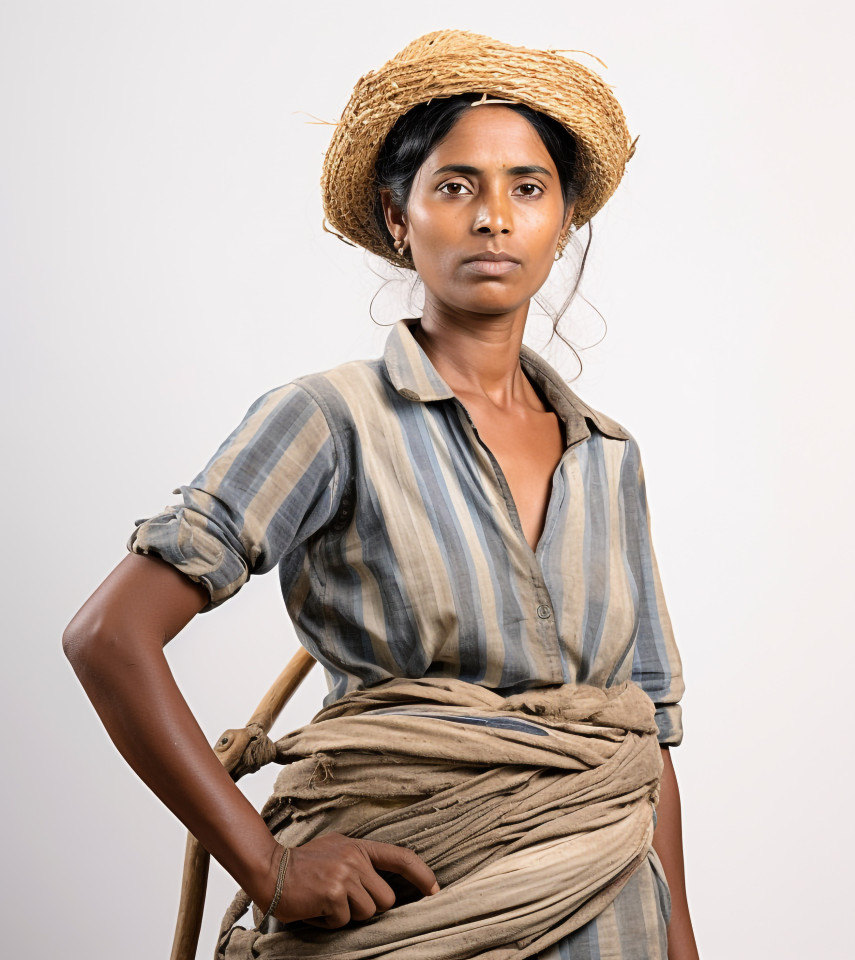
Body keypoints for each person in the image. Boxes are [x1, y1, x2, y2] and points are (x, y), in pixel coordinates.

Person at [63, 29, 699, 960]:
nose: (493, 217)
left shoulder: (609, 456)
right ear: (399, 218)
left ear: (561, 225)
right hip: (400, 922)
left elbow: (640, 750)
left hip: (611, 922)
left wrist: (680, 947)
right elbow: (108, 637)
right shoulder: (328, 418)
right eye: (455, 186)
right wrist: (269, 869)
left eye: (528, 187)